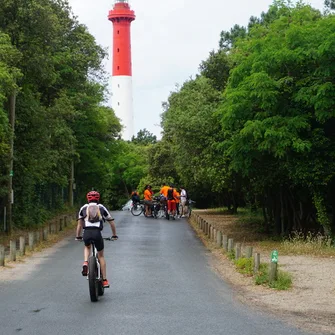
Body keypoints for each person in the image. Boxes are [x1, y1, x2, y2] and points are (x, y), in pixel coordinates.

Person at [77, 191, 118, 288]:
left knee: (87, 247)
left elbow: (79, 224)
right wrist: (114, 235)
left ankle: (86, 262)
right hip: (97, 234)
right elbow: (111, 222)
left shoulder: (83, 208)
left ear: (88, 199)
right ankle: (104, 280)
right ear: (98, 199)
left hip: (86, 233)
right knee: (101, 256)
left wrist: (78, 236)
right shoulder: (101, 207)